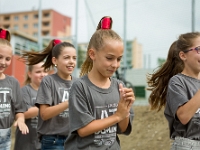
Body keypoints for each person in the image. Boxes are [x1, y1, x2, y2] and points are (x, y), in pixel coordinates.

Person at [65, 16, 135, 150]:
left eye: (119, 59)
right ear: (92, 54)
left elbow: (122, 129)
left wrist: (125, 109)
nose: (115, 64)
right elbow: (83, 130)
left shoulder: (119, 86)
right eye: (109, 58)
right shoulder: (80, 86)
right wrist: (117, 116)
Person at [21, 39, 77, 150]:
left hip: (73, 139)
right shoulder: (48, 81)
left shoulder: (78, 83)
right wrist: (70, 101)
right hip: (53, 141)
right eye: (67, 58)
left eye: (74, 58)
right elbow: (44, 114)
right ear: (55, 60)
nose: (71, 61)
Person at [147, 32, 200, 150]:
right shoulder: (177, 82)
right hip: (188, 145)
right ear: (183, 55)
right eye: (199, 49)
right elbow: (184, 116)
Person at [0, 28, 29, 150]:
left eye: (7, 59)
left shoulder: (13, 83)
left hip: (5, 137)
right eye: (0, 57)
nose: (3, 62)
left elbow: (19, 110)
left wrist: (21, 120)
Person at [14, 62, 48, 150]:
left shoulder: (50, 93)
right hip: (26, 143)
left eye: (45, 71)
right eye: (38, 72)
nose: (42, 74)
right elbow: (23, 113)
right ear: (30, 74)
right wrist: (47, 107)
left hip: (43, 143)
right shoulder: (25, 91)